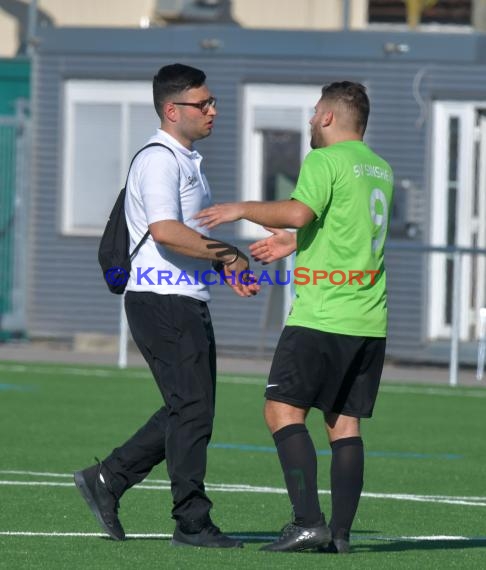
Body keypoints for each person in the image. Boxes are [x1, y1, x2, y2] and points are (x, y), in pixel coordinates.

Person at [195, 81, 394, 554]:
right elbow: (342, 228)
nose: (309, 121)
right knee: (344, 425)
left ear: (328, 117)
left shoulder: (325, 160)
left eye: (313, 113)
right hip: (369, 319)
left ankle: (308, 522)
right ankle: (340, 535)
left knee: (281, 410)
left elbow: (300, 212)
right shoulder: (379, 168)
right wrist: (293, 244)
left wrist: (240, 209)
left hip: (322, 316)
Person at [74, 63, 259, 548]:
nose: (213, 110)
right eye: (204, 103)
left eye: (212, 101)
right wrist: (231, 253)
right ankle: (191, 521)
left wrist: (222, 267)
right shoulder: (160, 159)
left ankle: (107, 479)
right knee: (192, 408)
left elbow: (183, 236)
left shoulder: (185, 159)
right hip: (162, 301)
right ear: (173, 110)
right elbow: (166, 231)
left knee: (190, 408)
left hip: (182, 298)